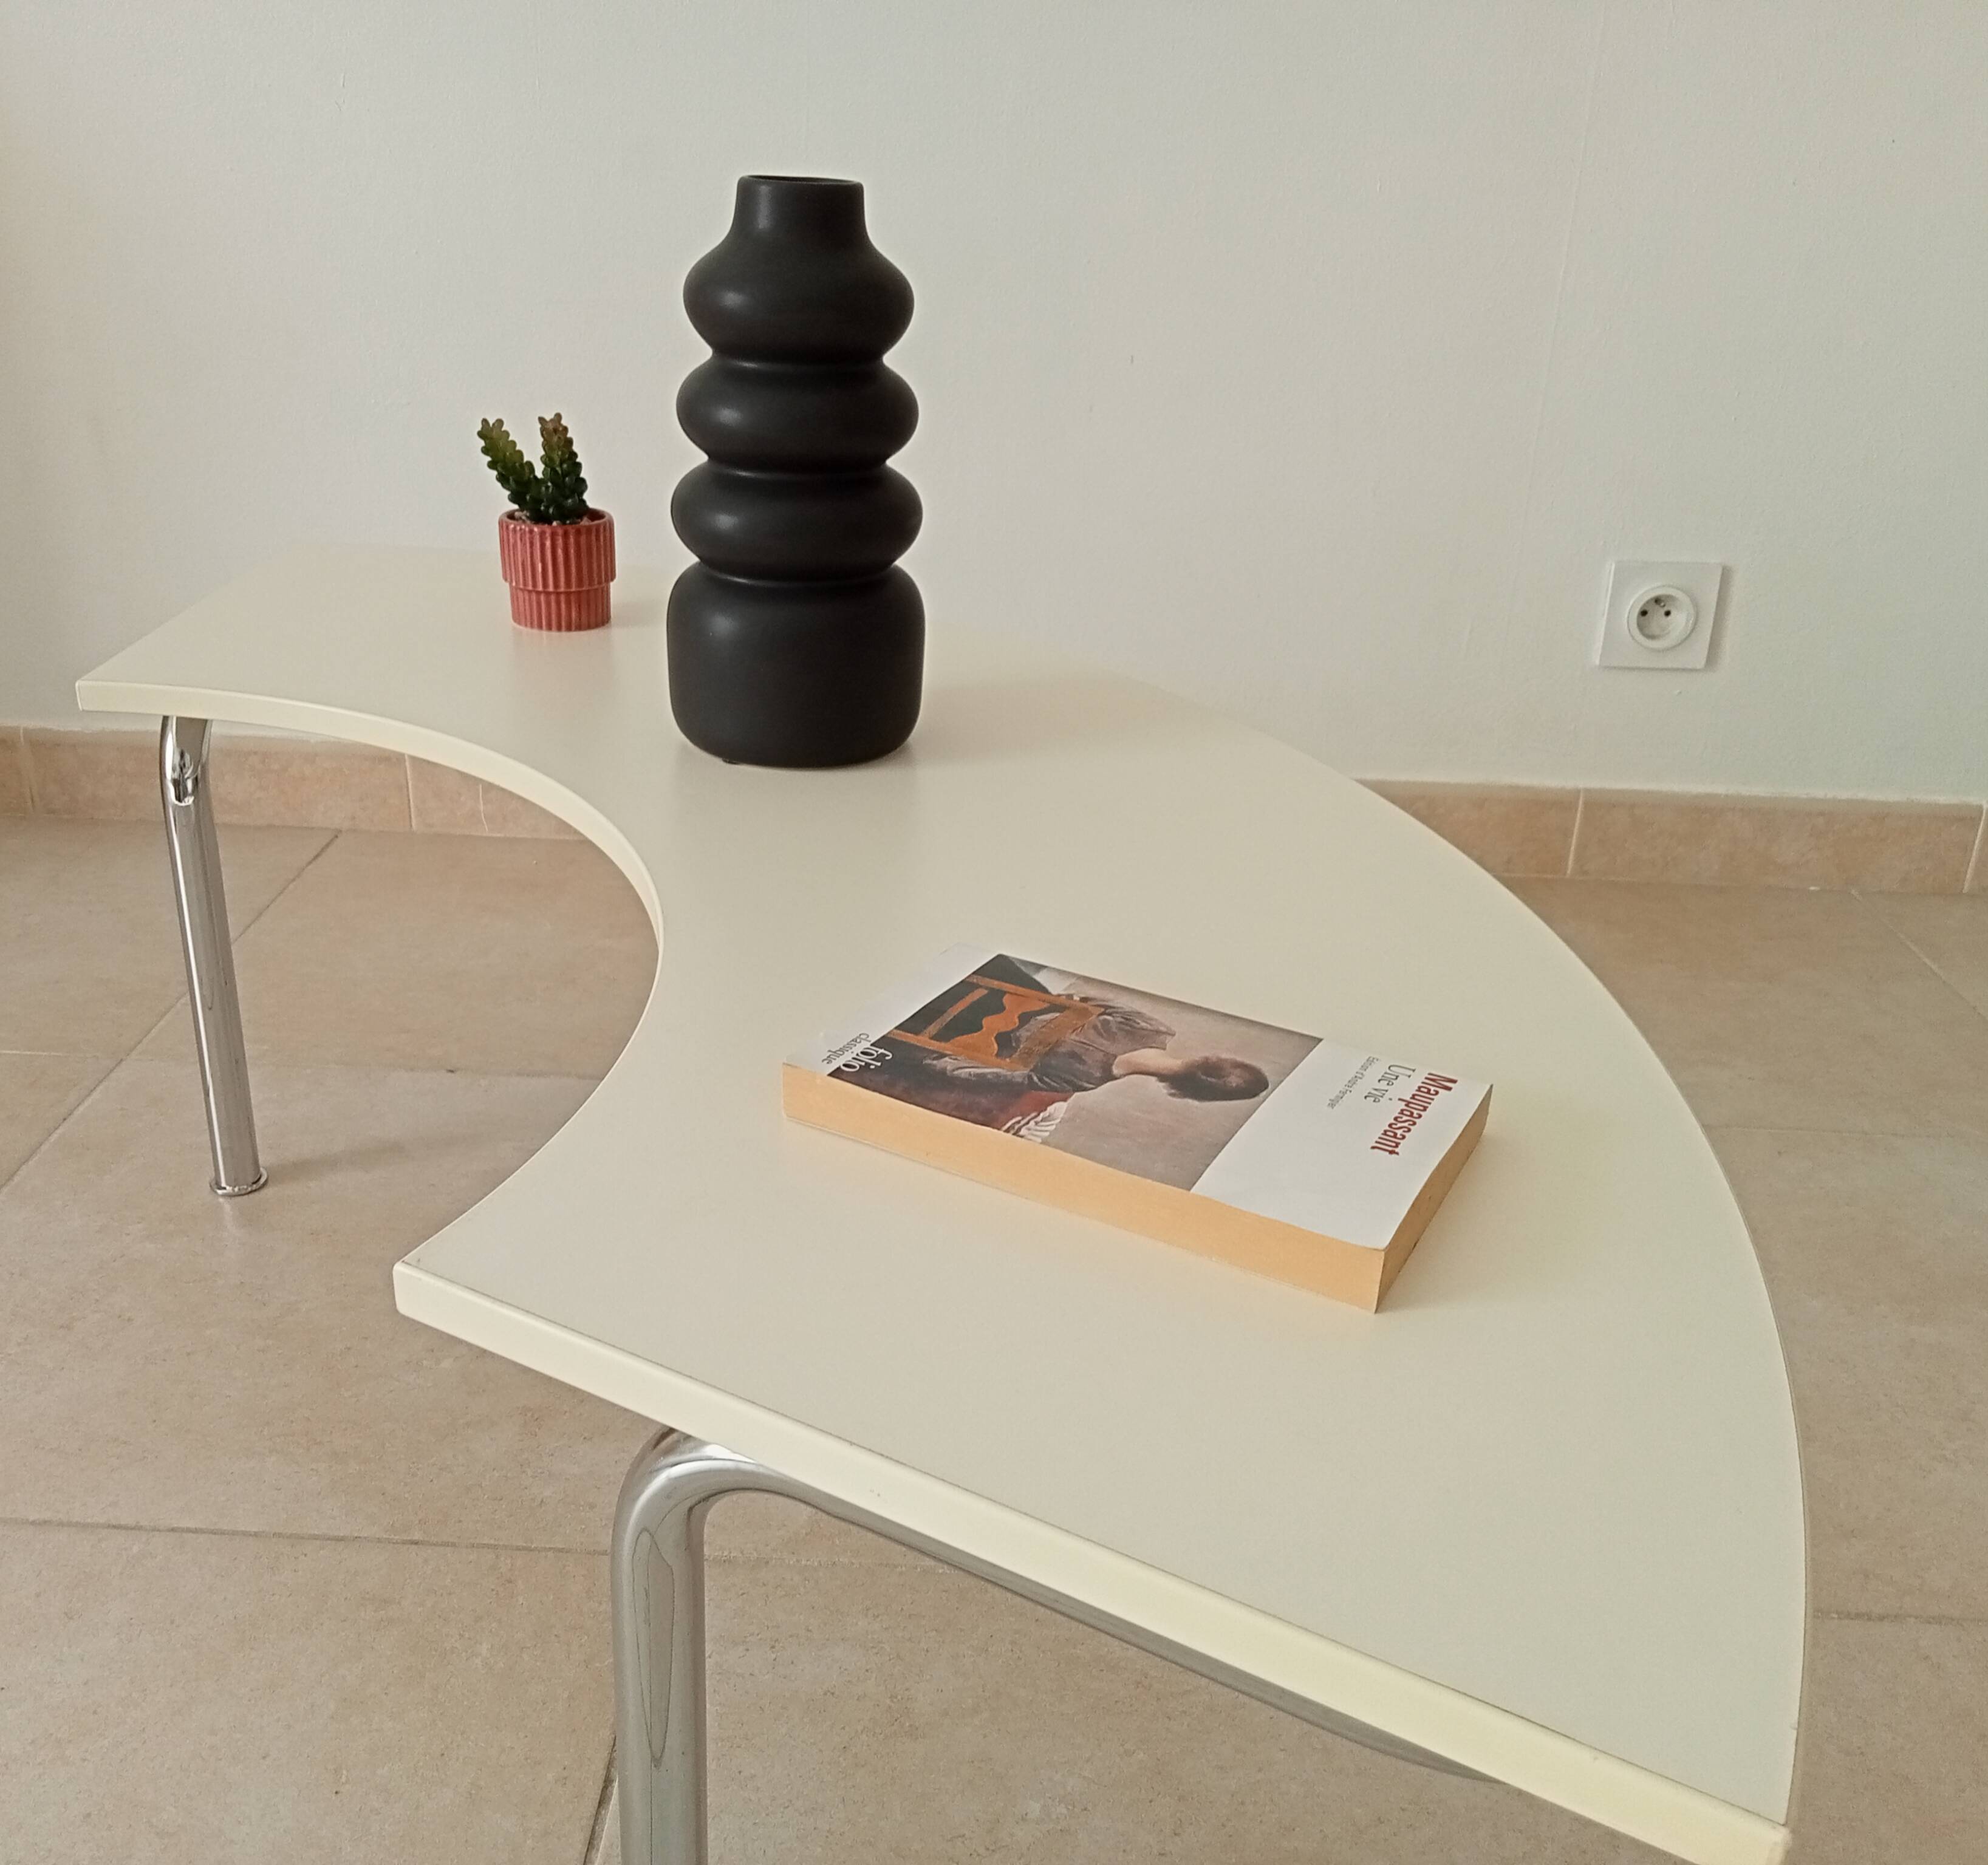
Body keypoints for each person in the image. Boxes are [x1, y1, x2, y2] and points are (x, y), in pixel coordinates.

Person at [894, 992, 1269, 1140]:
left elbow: (1071, 998)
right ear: (1191, 1094)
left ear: (1214, 1059)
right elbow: (965, 1071)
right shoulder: (1084, 1079)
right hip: (934, 1031)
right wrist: (930, 1059)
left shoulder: (1152, 1027)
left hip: (980, 991)